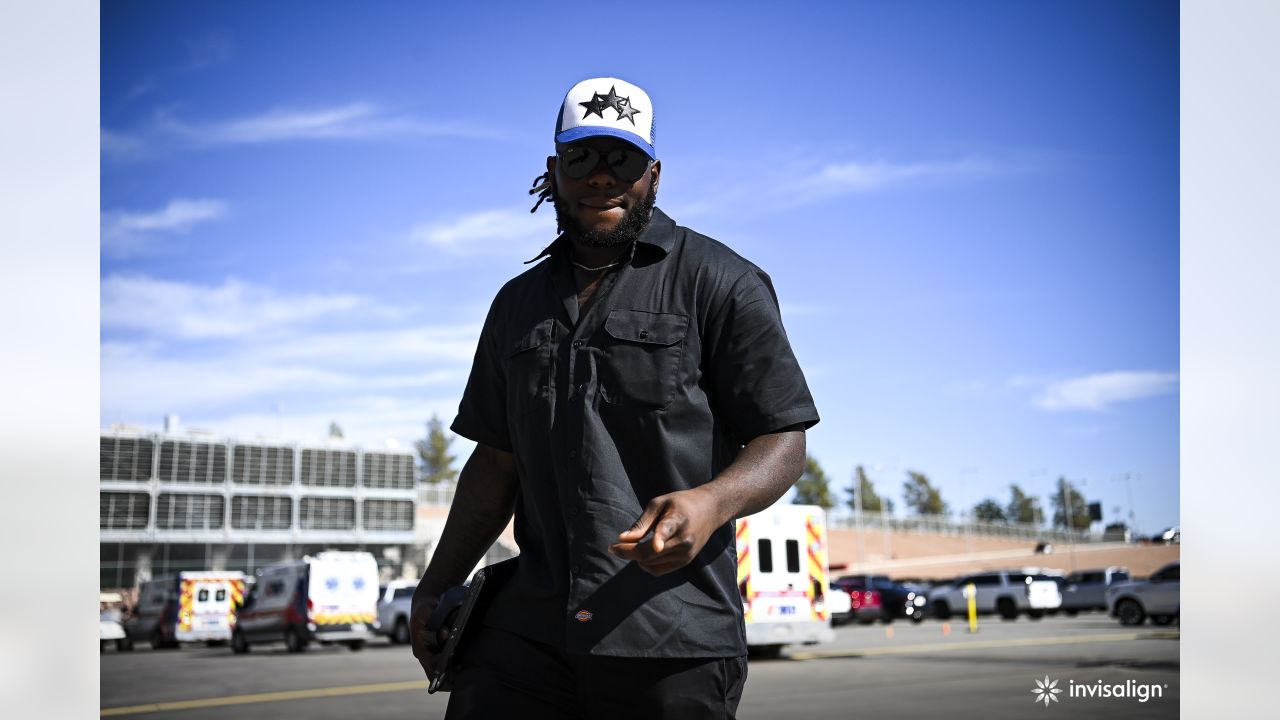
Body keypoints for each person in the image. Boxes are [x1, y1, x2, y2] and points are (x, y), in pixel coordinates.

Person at [411, 77, 820, 720]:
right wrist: (434, 587)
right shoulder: (515, 306)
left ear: (653, 174)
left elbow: (783, 438)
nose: (601, 177)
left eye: (621, 159)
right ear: (554, 169)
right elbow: (495, 463)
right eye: (582, 158)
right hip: (526, 633)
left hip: (671, 633)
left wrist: (711, 502)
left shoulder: (721, 281)